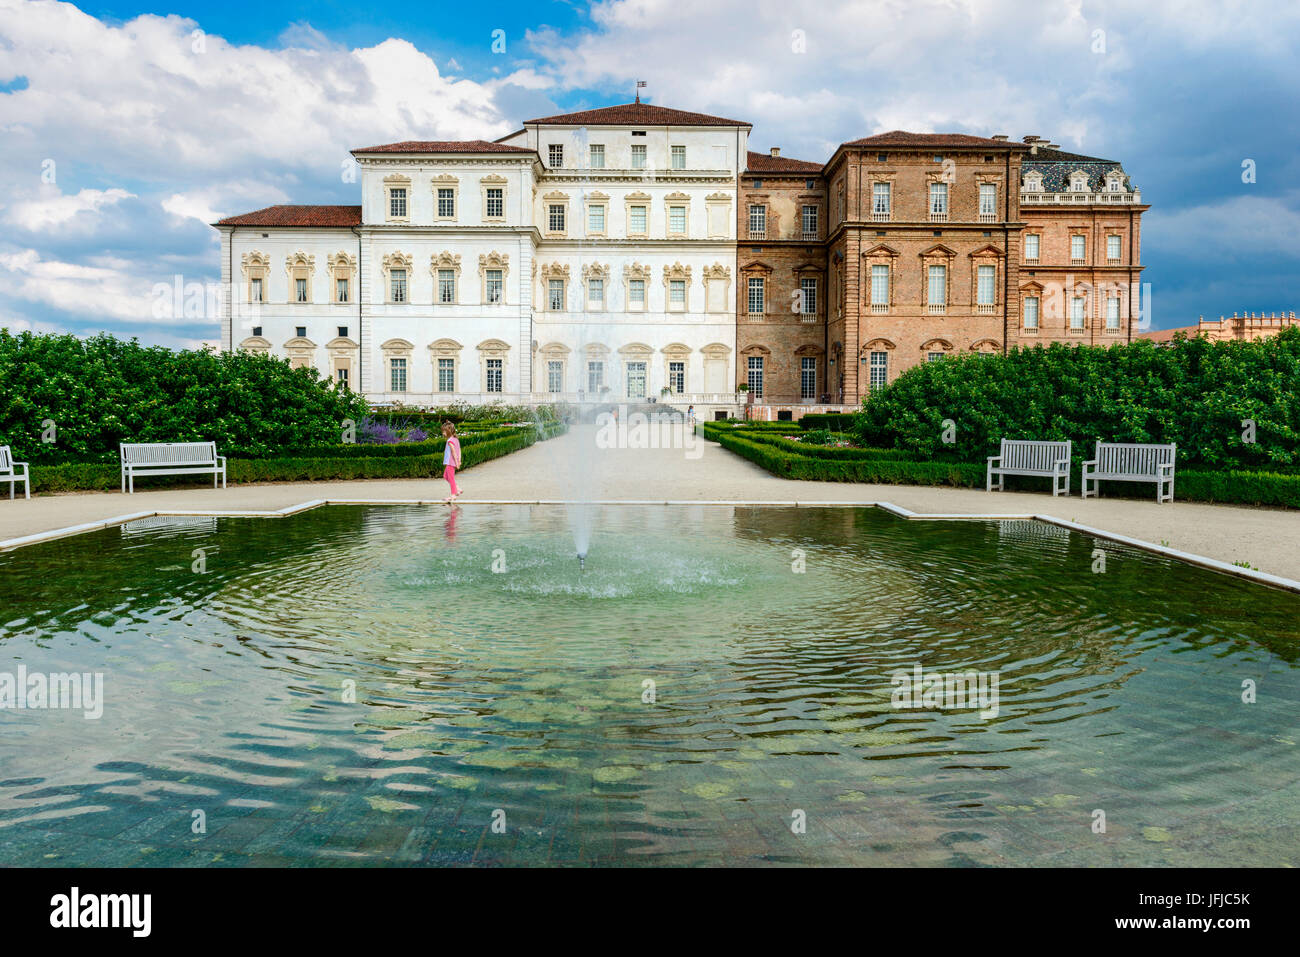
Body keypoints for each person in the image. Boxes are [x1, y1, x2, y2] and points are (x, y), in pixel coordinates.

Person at [441, 422, 462, 503]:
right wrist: (459, 460)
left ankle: (453, 495)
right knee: (445, 476)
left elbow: (453, 452)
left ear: (449, 431)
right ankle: (457, 489)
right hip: (451, 462)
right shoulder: (456, 439)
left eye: (444, 431)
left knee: (451, 478)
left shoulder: (450, 441)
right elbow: (459, 450)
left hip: (450, 462)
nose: (443, 433)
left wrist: (457, 462)